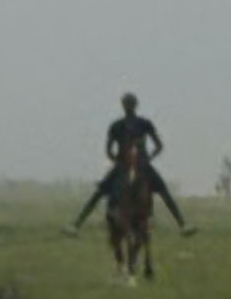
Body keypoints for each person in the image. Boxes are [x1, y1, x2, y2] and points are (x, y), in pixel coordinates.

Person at [68, 92, 193, 236]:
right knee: (163, 191)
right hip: (138, 164)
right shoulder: (138, 124)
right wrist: (147, 158)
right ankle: (182, 224)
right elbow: (158, 146)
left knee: (100, 192)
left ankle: (77, 224)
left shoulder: (119, 125)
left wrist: (118, 159)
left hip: (128, 165)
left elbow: (109, 151)